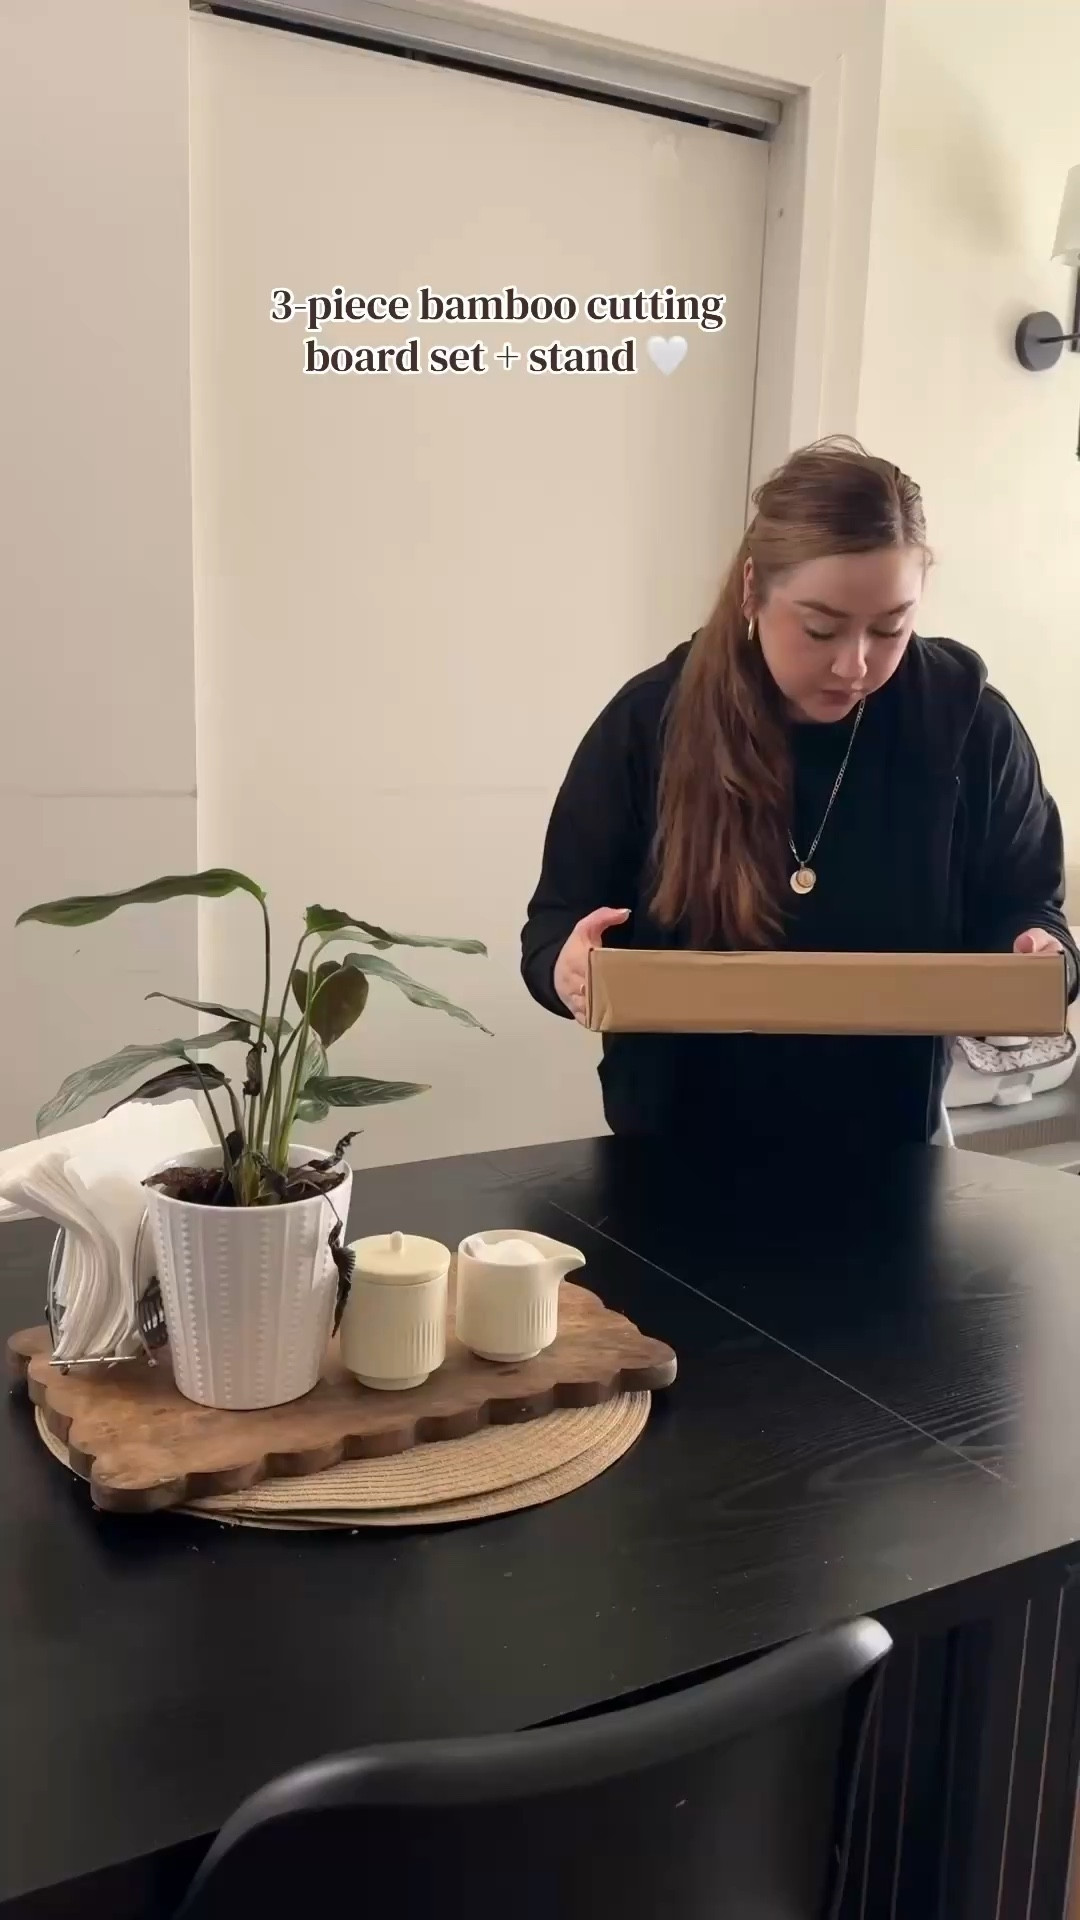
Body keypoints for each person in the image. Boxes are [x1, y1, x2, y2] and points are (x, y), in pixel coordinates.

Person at [520, 438, 1078, 1151]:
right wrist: (567, 967)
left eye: (890, 627)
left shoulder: (970, 724)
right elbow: (553, 925)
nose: (855, 665)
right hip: (671, 1148)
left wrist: (1039, 955)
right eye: (820, 629)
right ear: (753, 589)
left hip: (894, 1148)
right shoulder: (650, 720)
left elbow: (1028, 903)